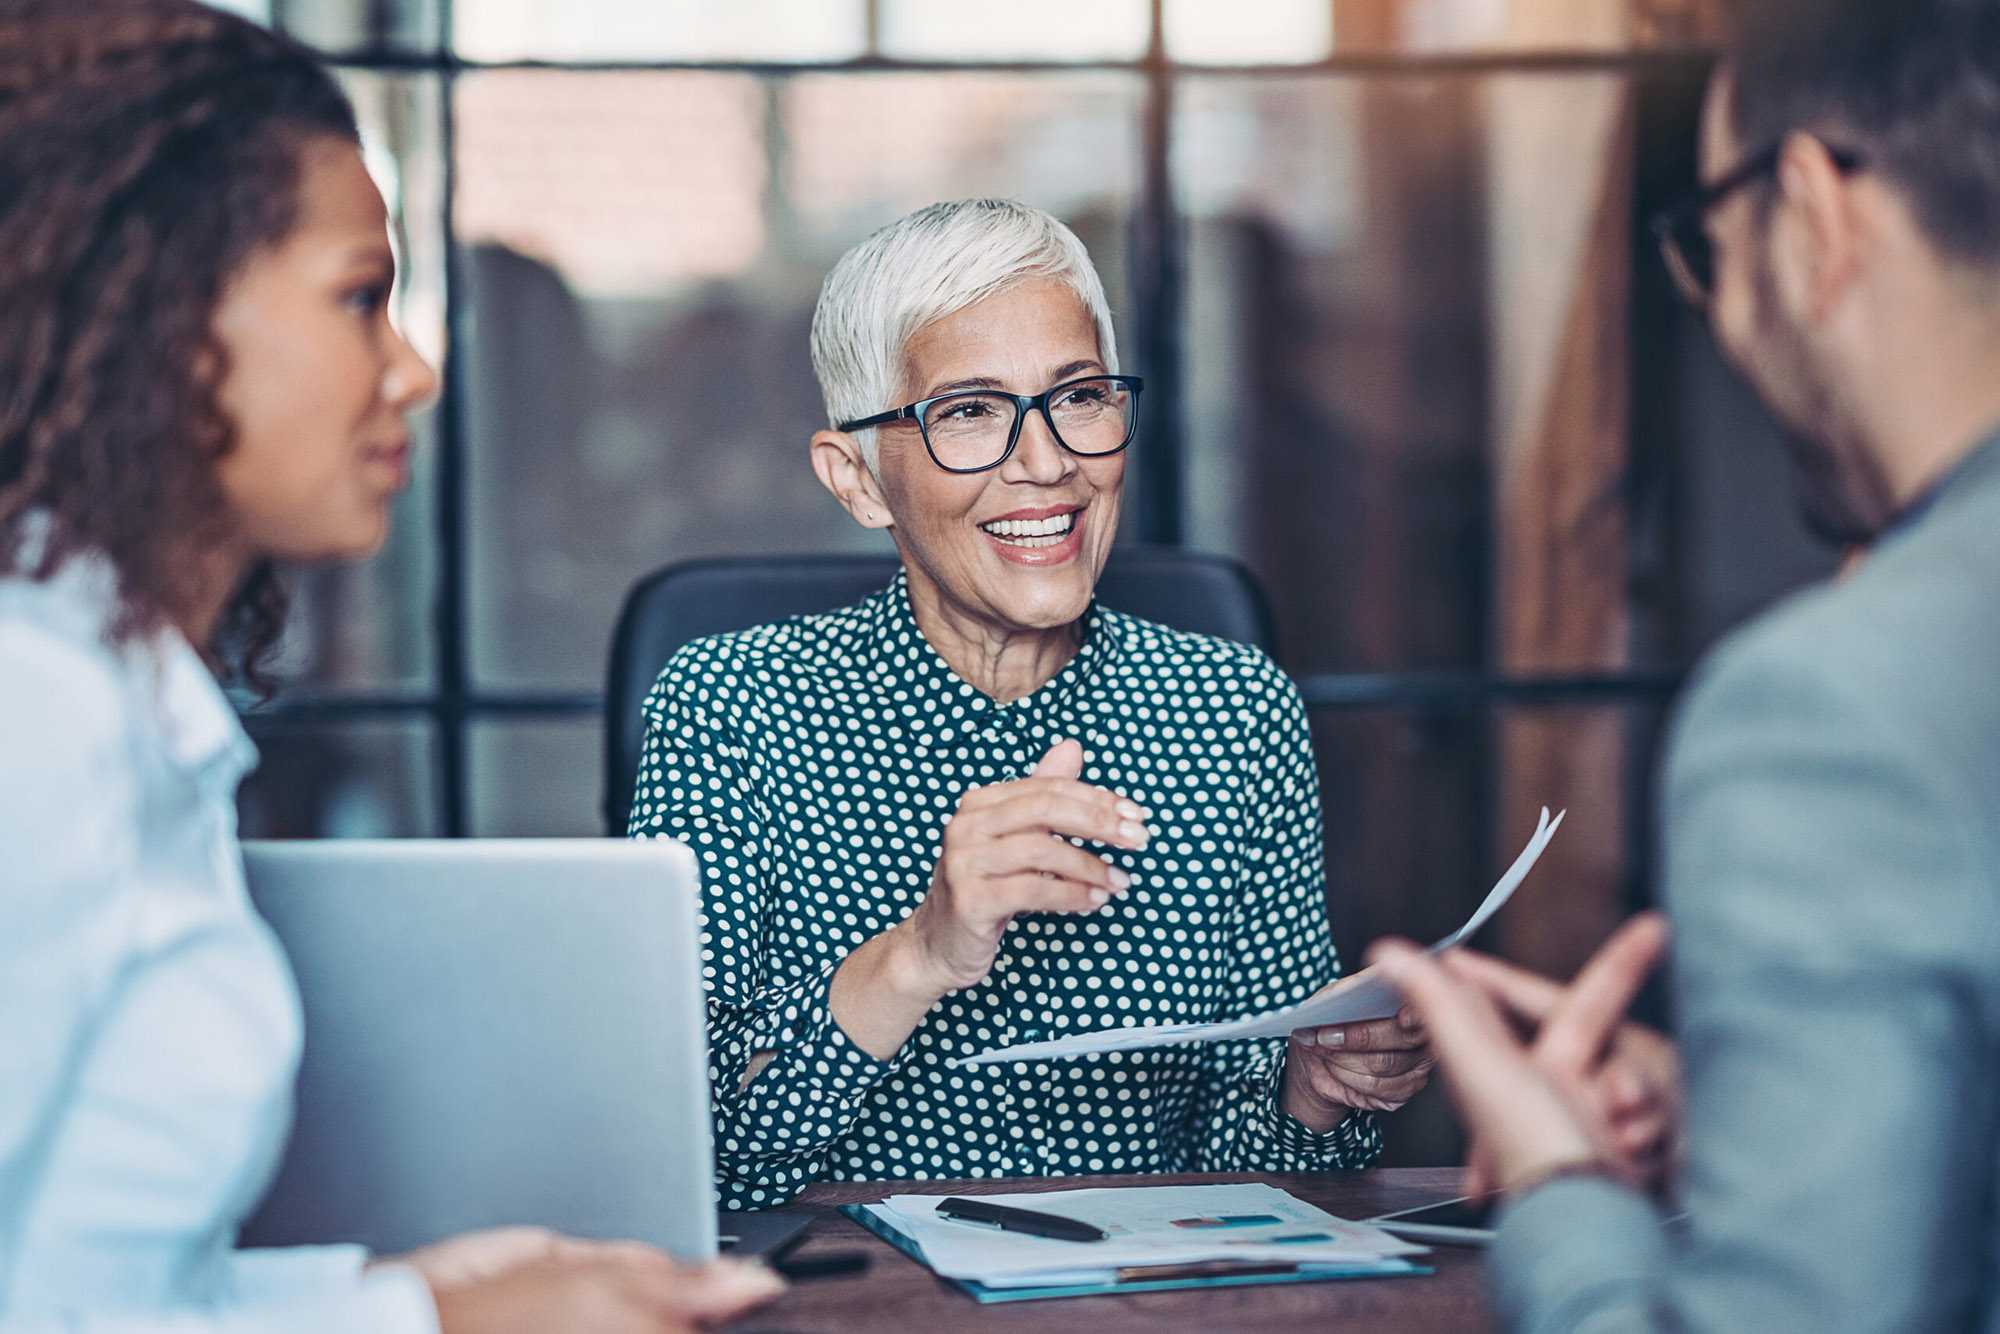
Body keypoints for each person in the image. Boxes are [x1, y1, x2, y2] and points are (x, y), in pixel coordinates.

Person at [0, 3, 782, 1330]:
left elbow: (80, 1280)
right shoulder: (40, 704)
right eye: (362, 298)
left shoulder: (125, 693)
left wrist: (417, 1282)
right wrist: (443, 1323)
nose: (411, 369)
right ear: (152, 311)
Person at [1372, 0, 2000, 1329]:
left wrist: (1556, 1186)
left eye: (1709, 250)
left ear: (1815, 213)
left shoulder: (1836, 701)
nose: (1721, 318)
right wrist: (1760, 1094)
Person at [628, 198, 1434, 1209]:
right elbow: (686, 1157)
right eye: (967, 410)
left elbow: (1264, 1167)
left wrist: (1313, 1094)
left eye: (1080, 397)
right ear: (858, 479)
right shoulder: (731, 709)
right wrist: (916, 953)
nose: (1046, 460)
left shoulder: (1234, 711)